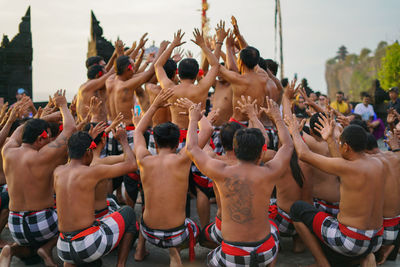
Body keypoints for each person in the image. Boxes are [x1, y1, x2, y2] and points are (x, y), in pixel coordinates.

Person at [187, 97, 293, 267]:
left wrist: (193, 119)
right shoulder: (270, 171)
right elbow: (287, 146)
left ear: (234, 150)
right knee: (272, 228)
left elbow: (192, 148)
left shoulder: (220, 171)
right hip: (265, 251)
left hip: (232, 253)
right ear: (261, 154)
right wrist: (277, 119)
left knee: (209, 259)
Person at [286, 112, 385, 266]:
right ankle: (364, 257)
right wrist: (331, 140)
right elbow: (341, 164)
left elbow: (303, 154)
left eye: (340, 143)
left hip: (351, 241)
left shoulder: (346, 167)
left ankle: (323, 263)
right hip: (377, 239)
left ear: (346, 147)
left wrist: (295, 132)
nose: (338, 146)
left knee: (297, 209)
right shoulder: (378, 163)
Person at [133, 89, 213, 267]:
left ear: (155, 139)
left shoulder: (144, 160)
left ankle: (139, 250)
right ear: (178, 143)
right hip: (176, 235)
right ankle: (174, 256)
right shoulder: (183, 159)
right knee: (192, 225)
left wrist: (154, 106)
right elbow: (208, 129)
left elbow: (138, 132)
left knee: (146, 208)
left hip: (148, 232)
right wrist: (194, 112)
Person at [0, 90, 76, 267]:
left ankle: (11, 249)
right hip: (43, 224)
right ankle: (48, 248)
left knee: (30, 252)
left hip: (15, 226)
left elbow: (20, 129)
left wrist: (42, 120)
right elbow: (70, 129)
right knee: (74, 213)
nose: (49, 139)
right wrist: (63, 105)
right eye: (47, 136)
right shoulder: (43, 156)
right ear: (40, 139)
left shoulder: (8, 151)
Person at [154, 29, 220, 228]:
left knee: (177, 185)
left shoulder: (170, 87)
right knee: (201, 189)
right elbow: (216, 65)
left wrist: (172, 45)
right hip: (198, 137)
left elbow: (157, 65)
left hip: (175, 138)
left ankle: (175, 225)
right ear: (196, 73)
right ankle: (203, 230)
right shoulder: (201, 88)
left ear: (178, 73)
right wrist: (203, 45)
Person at [54, 129, 138, 267]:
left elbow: (75, 158)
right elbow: (131, 165)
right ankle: (120, 264)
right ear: (88, 152)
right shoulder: (92, 172)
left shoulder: (58, 171)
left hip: (63, 248)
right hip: (88, 245)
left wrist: (86, 141)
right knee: (128, 212)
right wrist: (123, 140)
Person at [365, 133, 400, 264]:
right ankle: (390, 247)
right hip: (396, 229)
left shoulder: (371, 163)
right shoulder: (395, 156)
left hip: (382, 233)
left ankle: (373, 255)